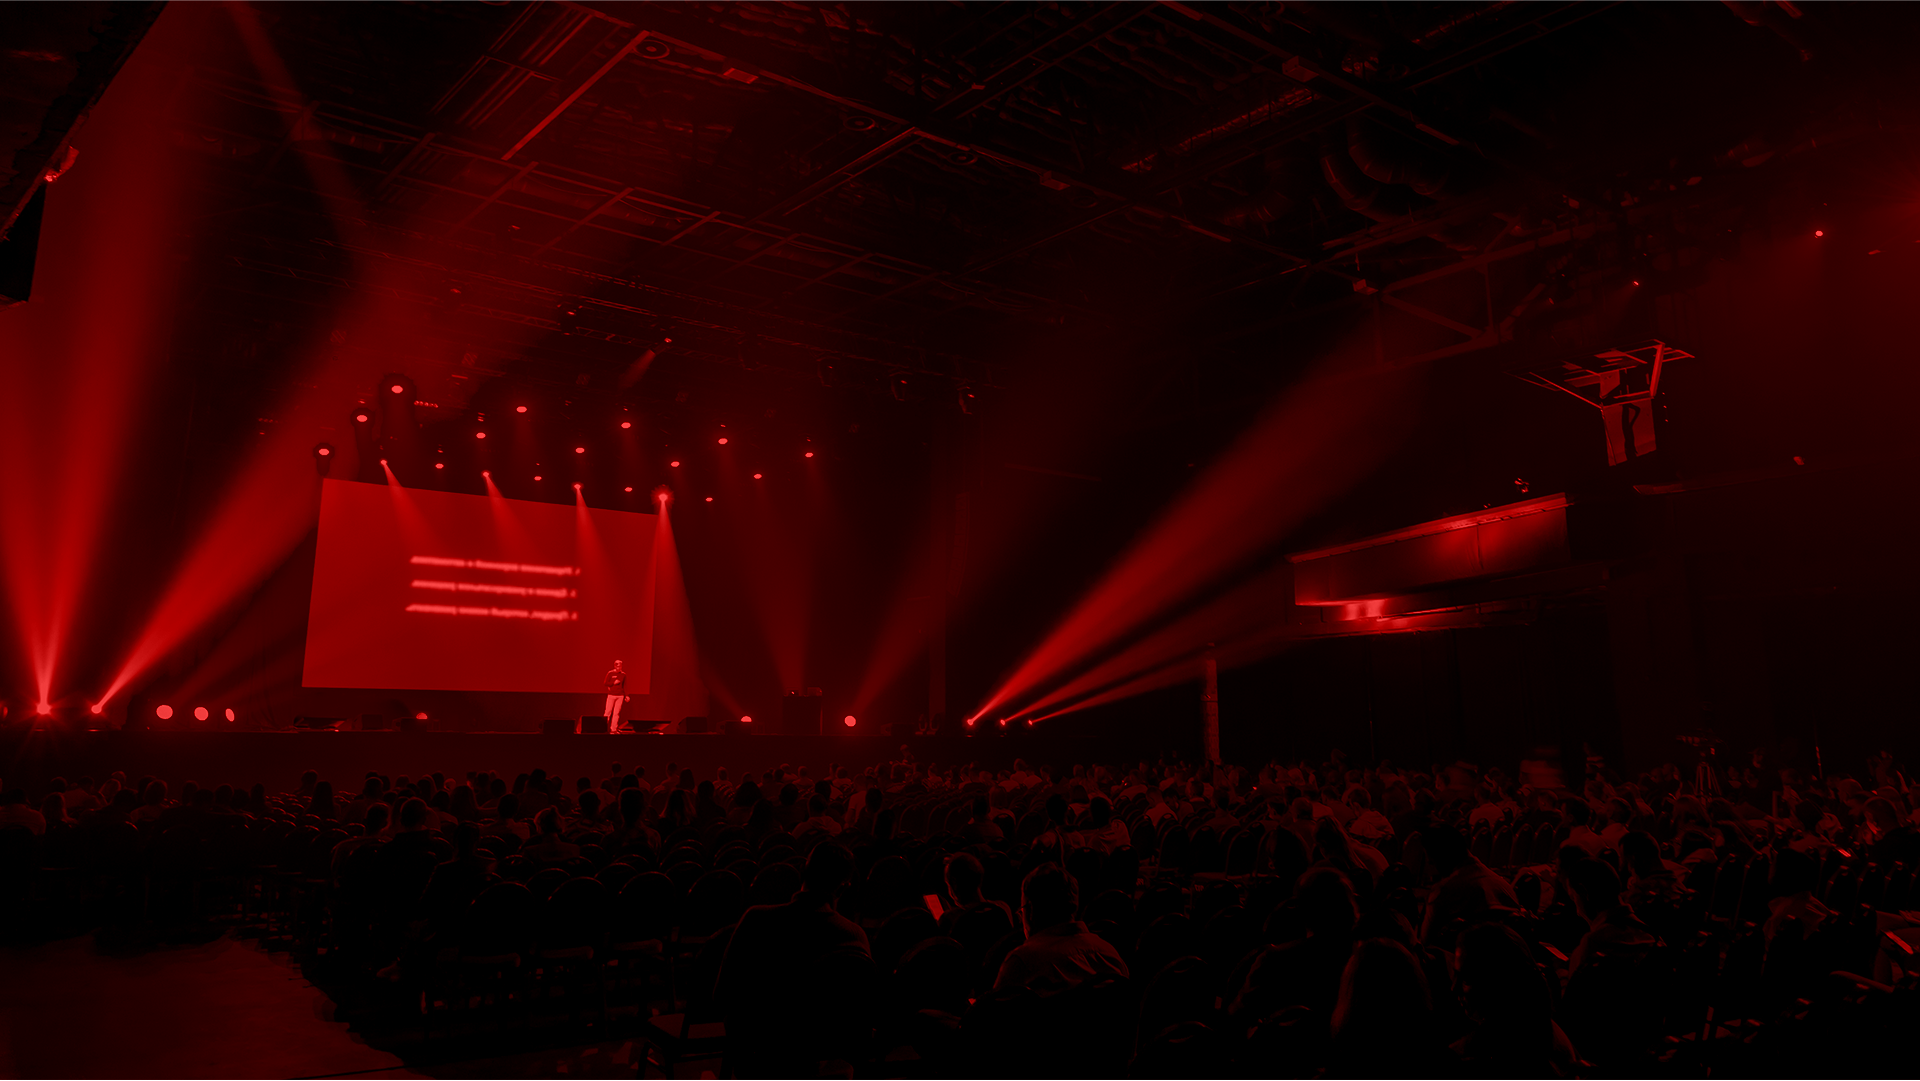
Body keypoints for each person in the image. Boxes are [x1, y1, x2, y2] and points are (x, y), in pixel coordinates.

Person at [717, 844, 874, 1076]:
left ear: (803, 870)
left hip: (761, 1045)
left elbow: (722, 995)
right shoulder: (855, 936)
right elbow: (861, 1011)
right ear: (843, 887)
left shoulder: (756, 919)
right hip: (822, 1046)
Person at [992, 864, 1128, 996]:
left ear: (1031, 910)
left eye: (1021, 911)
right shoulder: (1109, 955)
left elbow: (991, 1016)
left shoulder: (1022, 963)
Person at [603, 659, 629, 732]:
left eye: (620, 666)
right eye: (618, 666)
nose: (619, 668)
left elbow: (625, 685)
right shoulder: (610, 673)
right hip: (611, 695)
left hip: (620, 695)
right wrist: (613, 683)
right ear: (615, 666)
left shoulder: (623, 674)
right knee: (608, 712)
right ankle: (603, 727)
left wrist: (626, 695)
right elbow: (605, 683)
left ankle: (613, 728)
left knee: (616, 713)